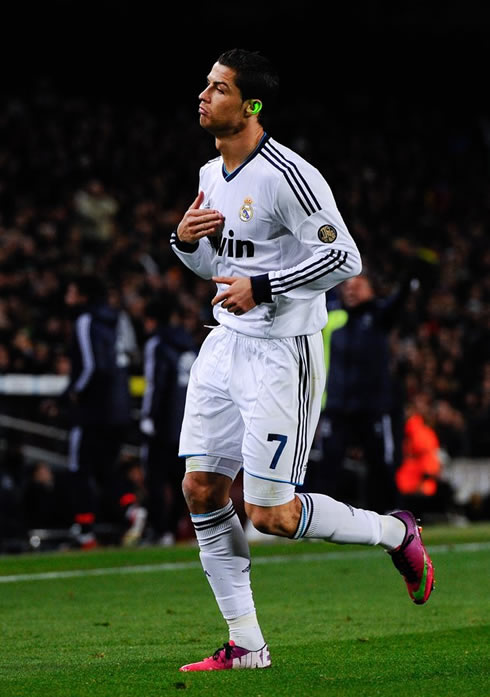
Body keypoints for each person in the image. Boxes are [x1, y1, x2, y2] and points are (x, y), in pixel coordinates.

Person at [170, 48, 435, 672]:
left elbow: (346, 260)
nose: (203, 96)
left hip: (280, 353)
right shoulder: (212, 174)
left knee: (272, 514)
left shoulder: (290, 176)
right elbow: (219, 269)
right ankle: (245, 644)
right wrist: (183, 244)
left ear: (250, 105)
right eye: (206, 86)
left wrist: (262, 289)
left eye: (218, 88)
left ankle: (398, 534)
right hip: (224, 342)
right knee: (202, 488)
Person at [305, 268, 416, 512]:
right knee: (328, 464)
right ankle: (320, 518)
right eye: (346, 287)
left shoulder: (378, 316)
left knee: (381, 465)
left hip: (372, 408)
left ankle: (393, 516)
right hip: (336, 407)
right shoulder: (332, 318)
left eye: (357, 286)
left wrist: (410, 279)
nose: (350, 290)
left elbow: (398, 302)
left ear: (371, 290)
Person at [63, 273, 145, 548]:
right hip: (118, 407)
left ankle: (84, 530)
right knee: (105, 467)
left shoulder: (86, 320)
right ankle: (131, 509)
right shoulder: (116, 319)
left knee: (78, 467)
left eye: (72, 291)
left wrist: (71, 393)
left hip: (93, 409)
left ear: (83, 295)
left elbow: (91, 366)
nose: (67, 298)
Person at [139, 295, 197, 545]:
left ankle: (158, 530)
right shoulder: (189, 343)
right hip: (188, 423)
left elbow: (155, 384)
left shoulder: (157, 344)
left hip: (163, 423)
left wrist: (148, 417)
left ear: (151, 320)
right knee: (178, 480)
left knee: (154, 479)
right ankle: (174, 529)